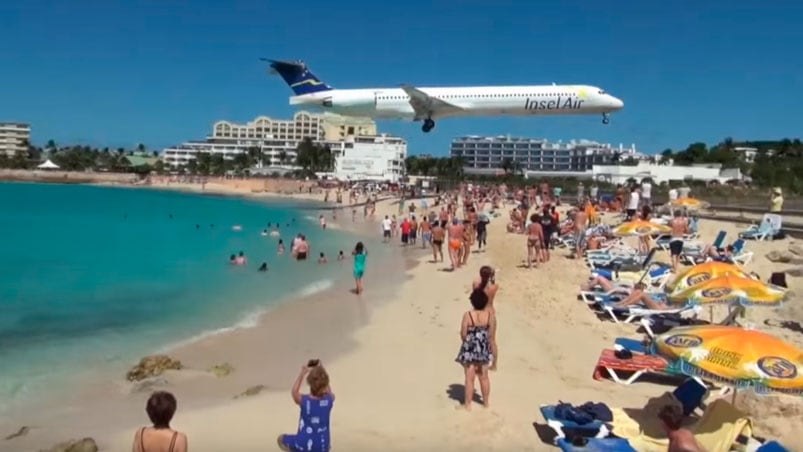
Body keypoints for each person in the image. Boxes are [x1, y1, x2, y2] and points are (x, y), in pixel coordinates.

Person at [277, 362, 335, 452]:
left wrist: (302, 373)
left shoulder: (304, 400)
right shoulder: (329, 400)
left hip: (303, 443)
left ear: (310, 384)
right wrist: (322, 372)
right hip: (323, 446)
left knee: (281, 439)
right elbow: (328, 391)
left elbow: (294, 392)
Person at [455, 285, 495, 410]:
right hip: (483, 347)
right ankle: (486, 403)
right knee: (484, 376)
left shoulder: (468, 315)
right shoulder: (489, 316)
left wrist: (468, 343)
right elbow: (491, 335)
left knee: (469, 377)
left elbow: (463, 333)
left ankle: (468, 405)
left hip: (470, 347)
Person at [472, 266, 500, 370]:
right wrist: (492, 276)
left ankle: (478, 363)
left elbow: (477, 283)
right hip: (490, 313)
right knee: (492, 340)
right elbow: (493, 282)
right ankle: (494, 365)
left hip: (479, 313)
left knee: (478, 339)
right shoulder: (494, 287)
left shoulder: (476, 285)